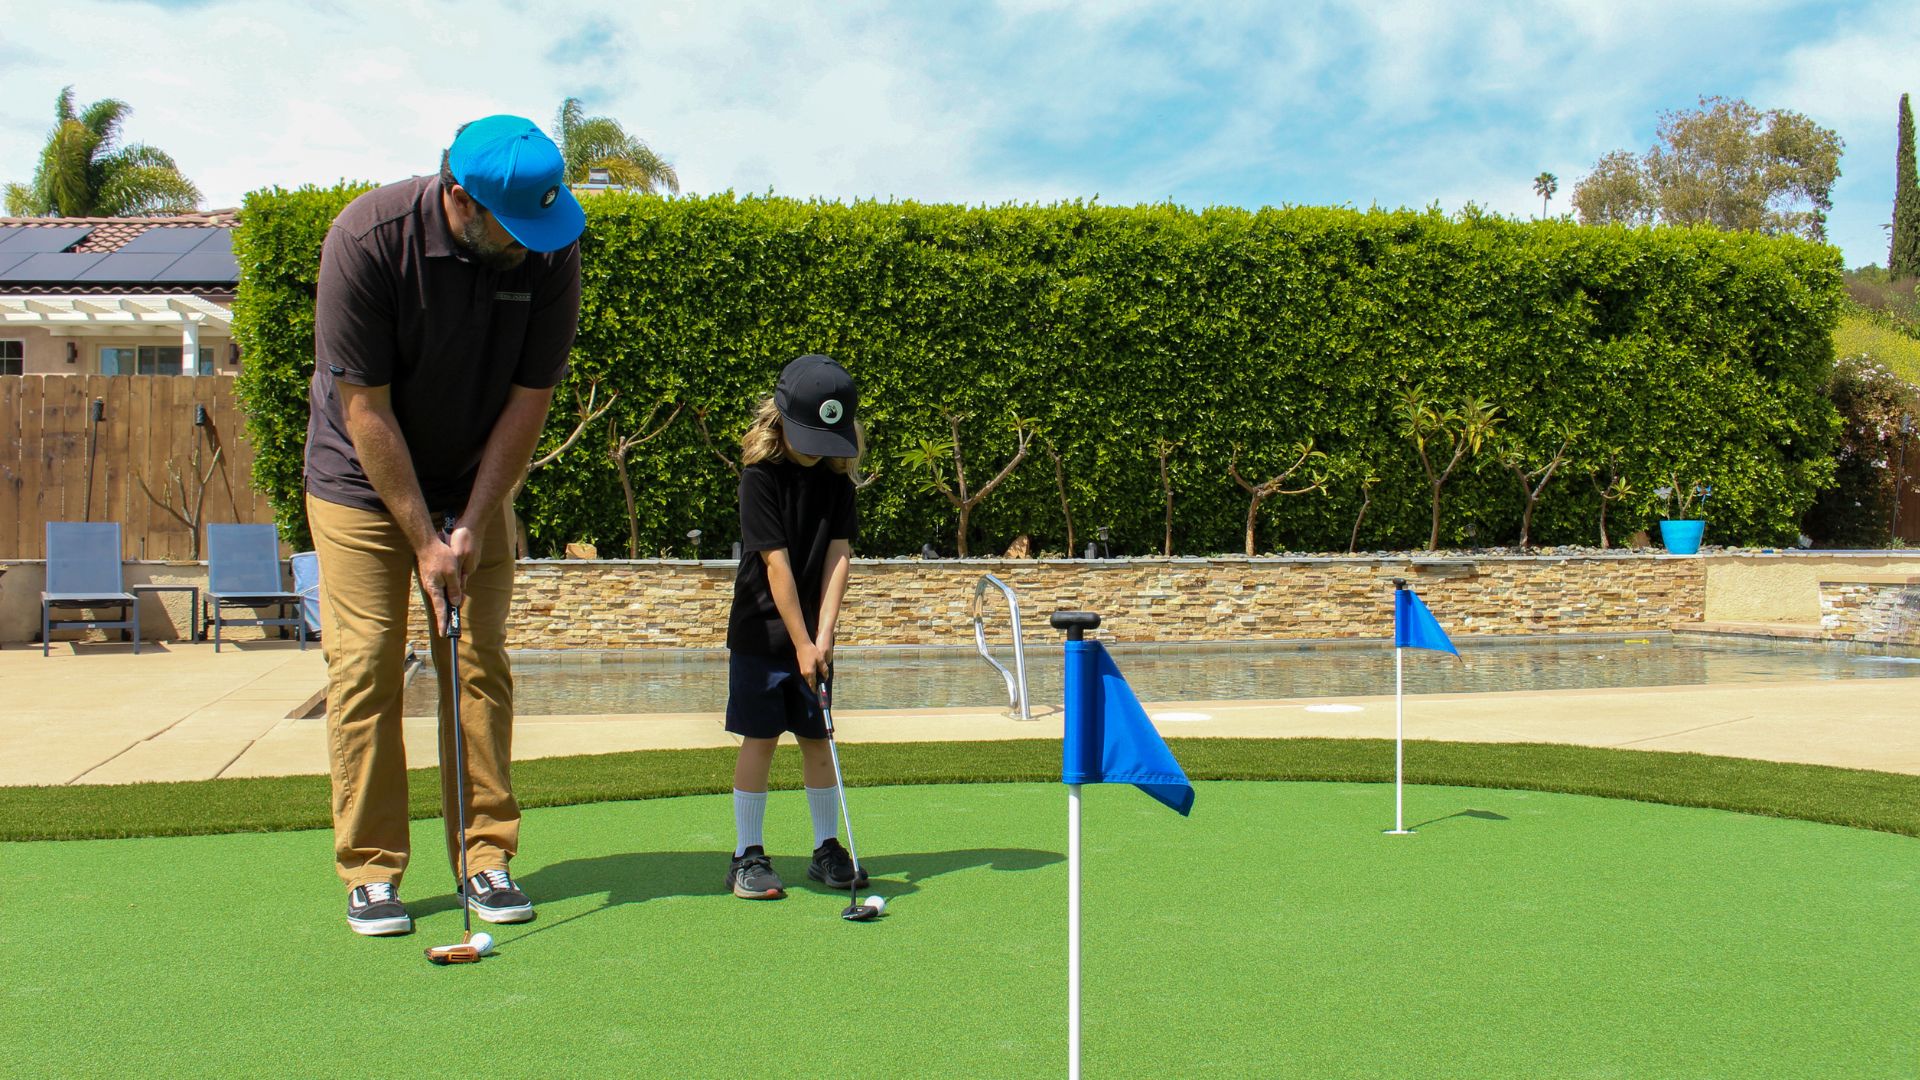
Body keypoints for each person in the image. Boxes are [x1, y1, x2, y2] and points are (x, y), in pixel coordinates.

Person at [305, 115, 584, 936]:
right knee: (366, 664)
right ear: (459, 199)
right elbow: (365, 408)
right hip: (361, 478)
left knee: (478, 661)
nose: (533, 243)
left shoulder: (550, 247)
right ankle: (371, 870)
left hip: (476, 477)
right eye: (514, 226)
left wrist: (472, 520)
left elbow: (529, 403)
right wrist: (423, 538)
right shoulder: (367, 238)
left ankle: (486, 858)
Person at [723, 354, 868, 900]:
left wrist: (823, 638)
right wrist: (802, 641)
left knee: (817, 739)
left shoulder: (838, 486)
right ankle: (747, 855)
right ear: (780, 419)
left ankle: (827, 848)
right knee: (760, 738)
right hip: (762, 637)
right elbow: (775, 565)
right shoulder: (759, 480)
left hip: (814, 640)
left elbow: (839, 559)